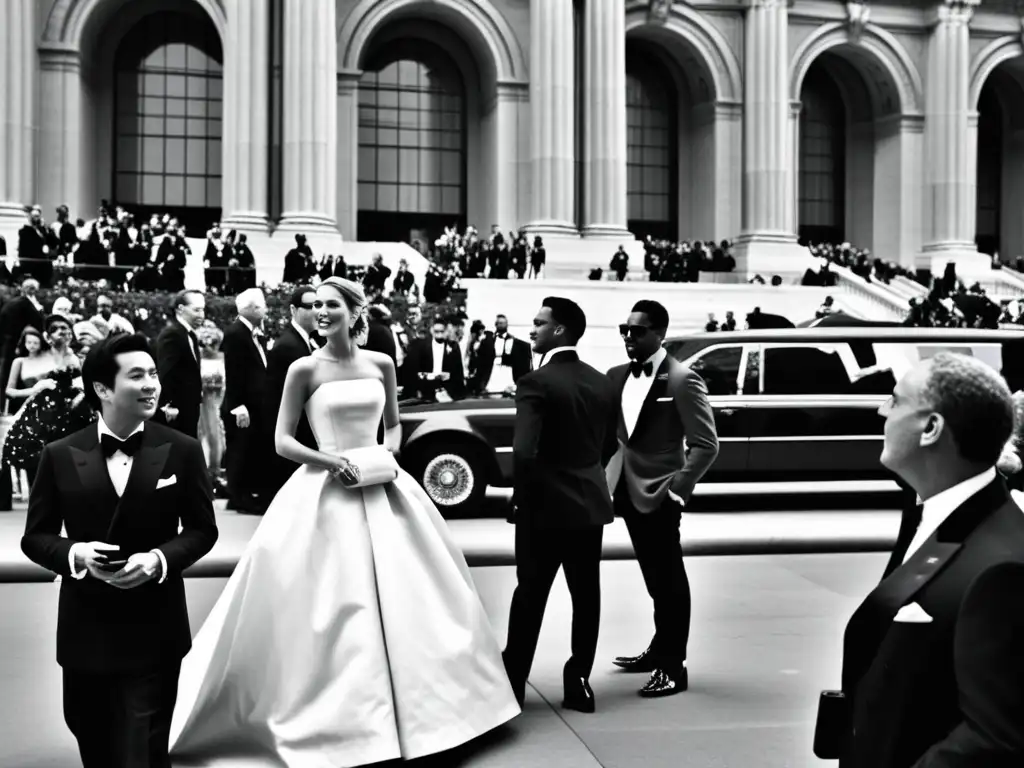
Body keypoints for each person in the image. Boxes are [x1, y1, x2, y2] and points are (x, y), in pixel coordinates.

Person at [169, 277, 519, 765]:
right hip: (325, 487)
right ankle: (342, 722)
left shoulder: (381, 363)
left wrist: (387, 453)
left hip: (383, 482)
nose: (321, 312)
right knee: (332, 601)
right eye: (315, 306)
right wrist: (333, 463)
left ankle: (438, 714)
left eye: (332, 304)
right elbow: (282, 441)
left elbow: (393, 423)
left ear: (356, 312)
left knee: (419, 592)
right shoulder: (302, 369)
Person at [20, 332, 218, 768]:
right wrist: (77, 555)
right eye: (137, 375)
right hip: (86, 629)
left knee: (141, 746)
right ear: (103, 389)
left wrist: (159, 558)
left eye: (153, 373)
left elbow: (203, 530)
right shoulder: (59, 454)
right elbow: (36, 537)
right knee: (92, 736)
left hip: (155, 625)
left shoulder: (182, 450)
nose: (151, 384)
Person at [817, 353, 1024, 767]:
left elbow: (995, 738)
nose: (881, 410)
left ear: (931, 429)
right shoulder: (933, 515)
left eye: (895, 400)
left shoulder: (1004, 568)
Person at [502, 297, 618, 713]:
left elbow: (523, 451)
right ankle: (579, 681)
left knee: (530, 595)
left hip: (544, 510)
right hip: (589, 507)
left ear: (560, 330)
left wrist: (522, 495)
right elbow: (607, 446)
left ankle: (513, 681)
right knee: (586, 595)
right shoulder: (602, 382)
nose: (531, 329)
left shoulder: (536, 382)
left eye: (538, 323)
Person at [605, 299, 719, 698]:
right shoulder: (616, 375)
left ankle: (674, 666)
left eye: (637, 331)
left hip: (661, 493)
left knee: (670, 581)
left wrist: (676, 491)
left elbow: (706, 445)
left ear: (660, 334)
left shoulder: (682, 379)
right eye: (625, 329)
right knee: (655, 580)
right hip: (626, 492)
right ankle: (659, 650)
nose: (628, 337)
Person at [263, 284, 318, 496]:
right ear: (294, 310)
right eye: (310, 306)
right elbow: (278, 399)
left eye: (319, 305)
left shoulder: (309, 340)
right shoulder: (288, 346)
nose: (317, 311)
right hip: (295, 437)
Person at [220, 288, 270, 514]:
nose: (266, 310)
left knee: (248, 449)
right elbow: (234, 371)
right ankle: (239, 496)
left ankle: (242, 492)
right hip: (241, 405)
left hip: (253, 403)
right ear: (250, 309)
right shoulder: (235, 333)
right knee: (240, 449)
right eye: (261, 306)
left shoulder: (251, 332)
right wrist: (238, 405)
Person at [154, 289, 205, 438]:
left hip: (189, 407)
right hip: (176, 410)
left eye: (203, 310)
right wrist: (169, 403)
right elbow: (167, 371)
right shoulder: (171, 335)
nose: (201, 315)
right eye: (196, 310)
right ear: (181, 309)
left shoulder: (190, 336)